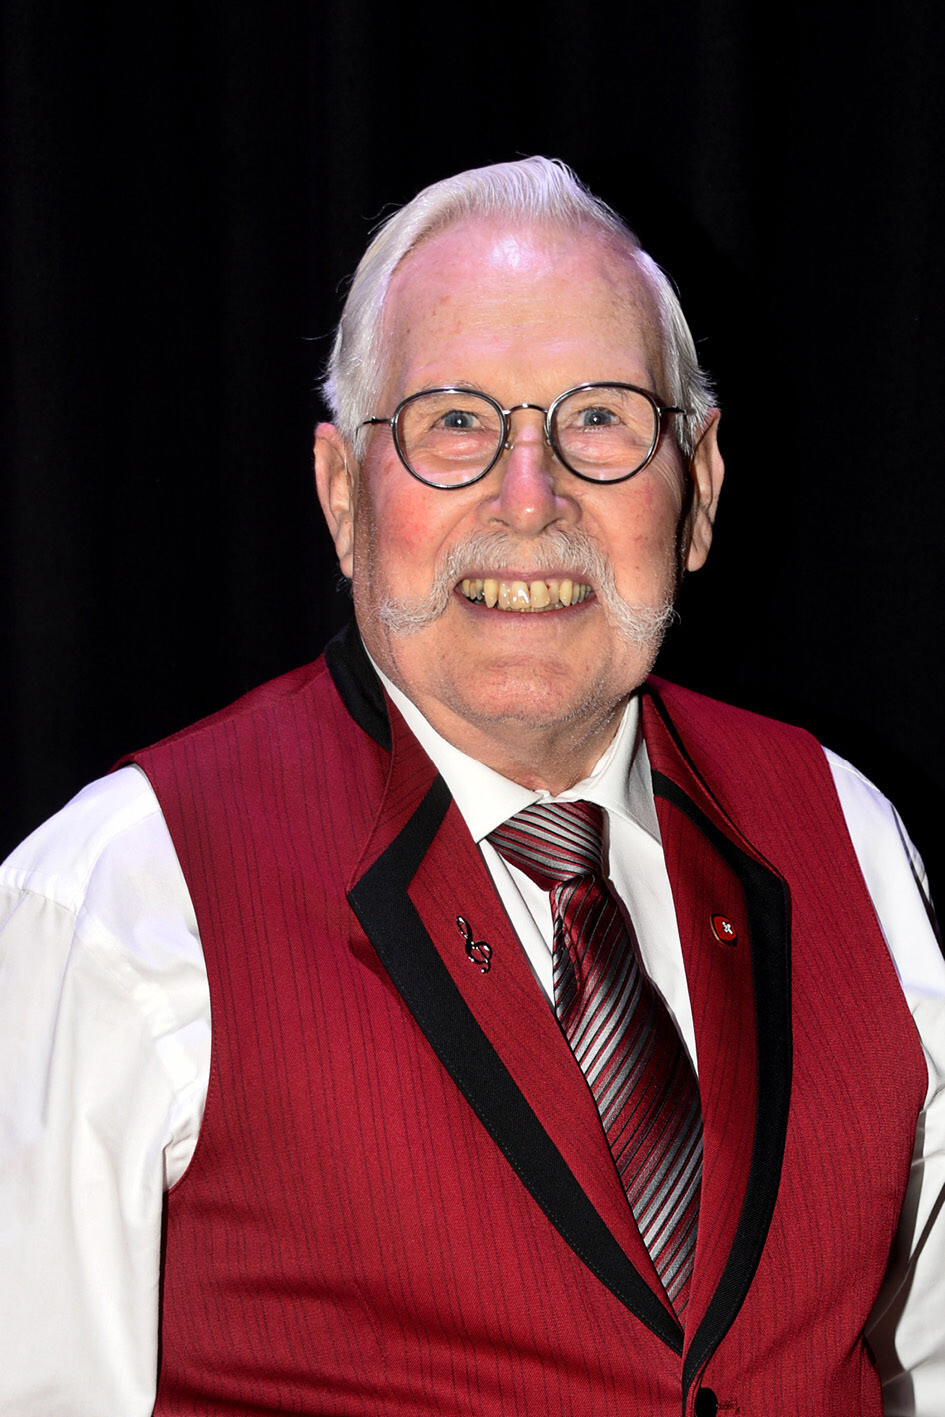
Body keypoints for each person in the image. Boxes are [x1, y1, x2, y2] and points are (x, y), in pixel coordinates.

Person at [1, 157, 943, 1417]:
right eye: (454, 421)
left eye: (599, 417)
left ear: (701, 490)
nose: (530, 497)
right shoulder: (117, 898)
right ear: (344, 496)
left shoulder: (851, 837)